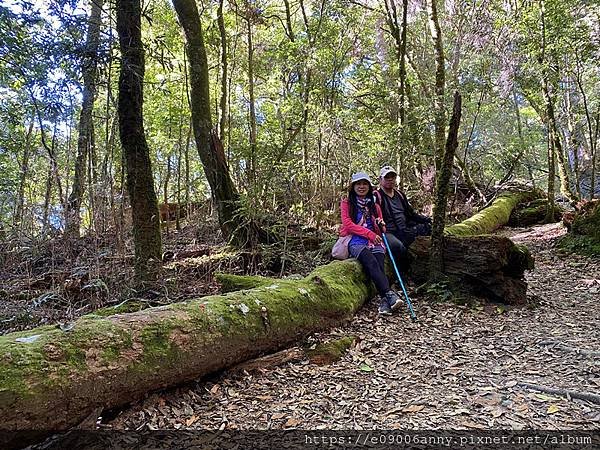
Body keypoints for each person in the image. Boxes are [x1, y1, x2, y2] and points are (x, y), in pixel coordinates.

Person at [340, 171, 402, 315]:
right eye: (358, 184)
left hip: (376, 241)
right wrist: (369, 234)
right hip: (356, 241)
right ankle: (389, 294)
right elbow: (348, 224)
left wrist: (381, 225)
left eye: (365, 184)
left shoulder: (375, 206)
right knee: (371, 263)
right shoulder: (347, 203)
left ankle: (385, 302)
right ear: (353, 186)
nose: (361, 187)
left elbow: (381, 229)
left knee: (379, 265)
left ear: (369, 186)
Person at [375, 166, 432, 262]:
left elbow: (411, 214)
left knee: (428, 228)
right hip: (388, 232)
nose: (390, 179)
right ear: (380, 179)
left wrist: (426, 219)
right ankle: (406, 270)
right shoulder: (376, 196)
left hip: (405, 230)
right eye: (387, 177)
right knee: (397, 246)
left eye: (392, 177)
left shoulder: (400, 195)